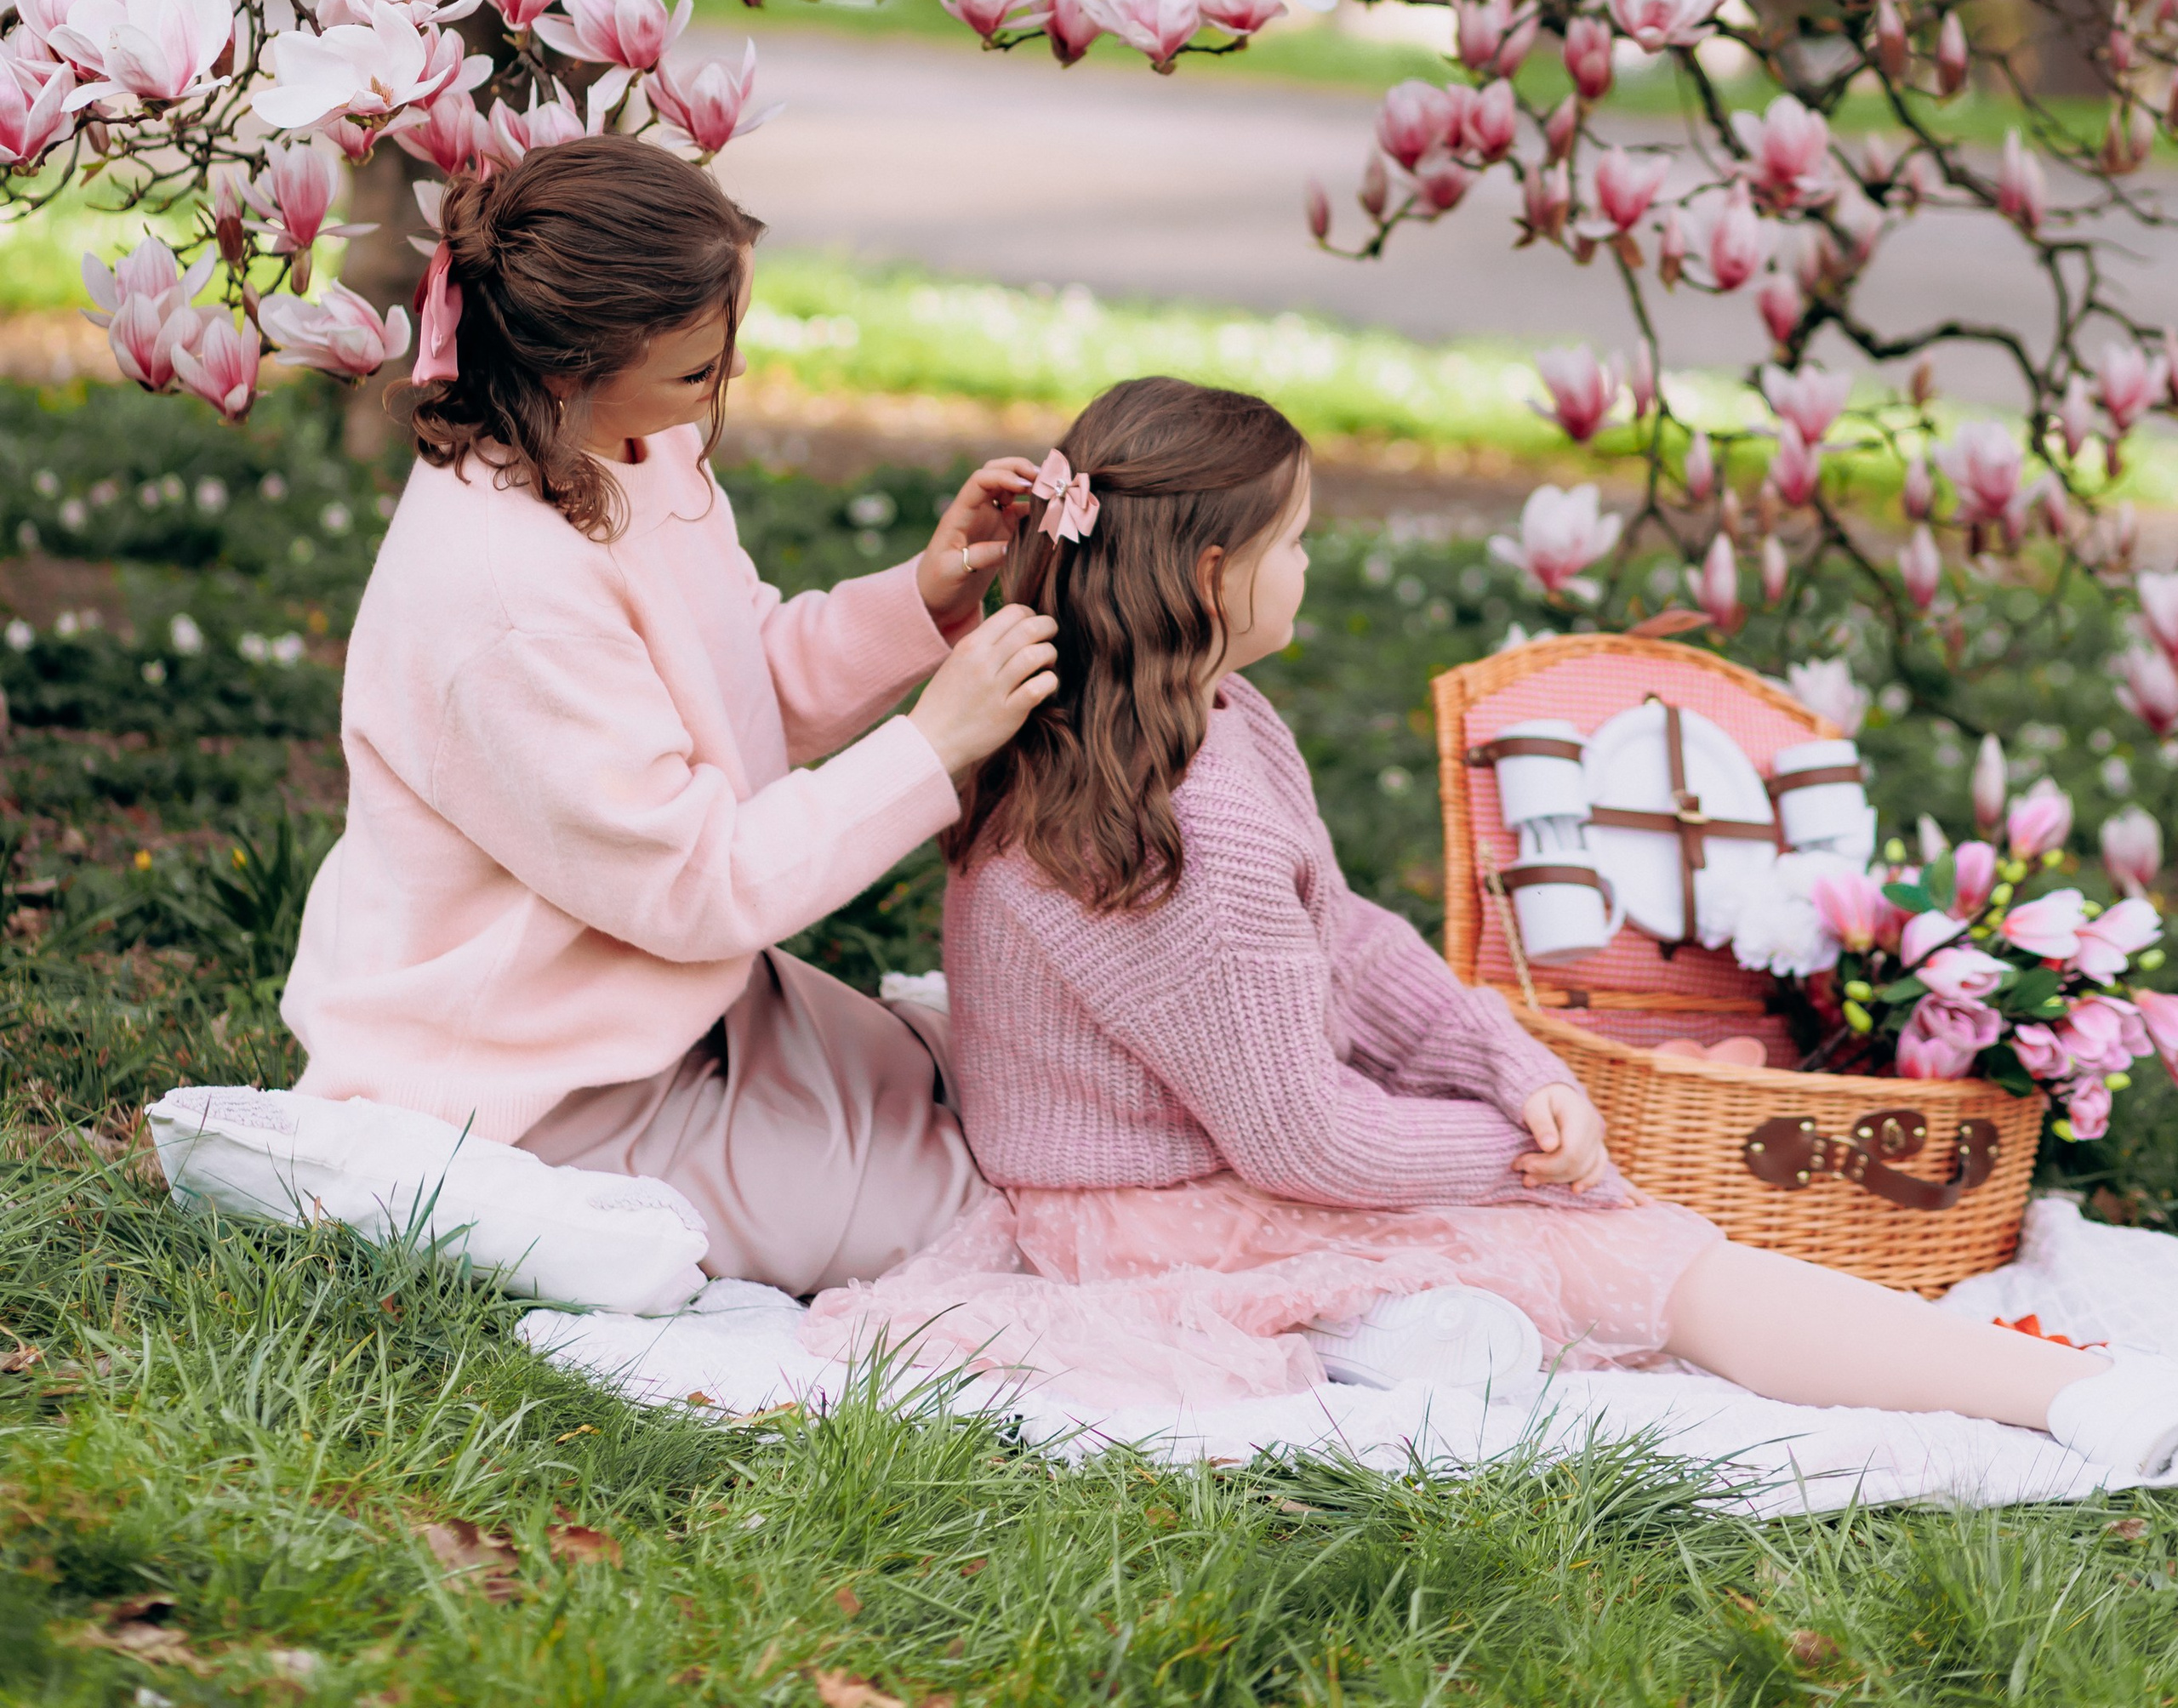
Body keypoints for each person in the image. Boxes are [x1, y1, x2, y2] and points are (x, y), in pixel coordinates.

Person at [805, 376, 2178, 1476]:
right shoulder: (1176, 828)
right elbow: (1307, 1139)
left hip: (1203, 1145)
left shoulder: (1195, 723)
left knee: (1564, 1217)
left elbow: (1344, 939)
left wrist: (1511, 1067)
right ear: (1214, 575)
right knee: (1641, 1252)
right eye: (1296, 545)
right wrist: (1535, 1162)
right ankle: (2066, 1396)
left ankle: (1402, 1330)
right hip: (1151, 1211)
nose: (1310, 568)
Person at [282, 134, 1058, 1299]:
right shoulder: (505, 599)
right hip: (538, 1078)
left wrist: (921, 599)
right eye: (702, 367)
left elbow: (739, 683)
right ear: (562, 370)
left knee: (1021, 1105)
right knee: (987, 1225)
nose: (724, 386)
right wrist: (933, 746)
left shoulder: (638, 447)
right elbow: (698, 884)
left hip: (675, 998)